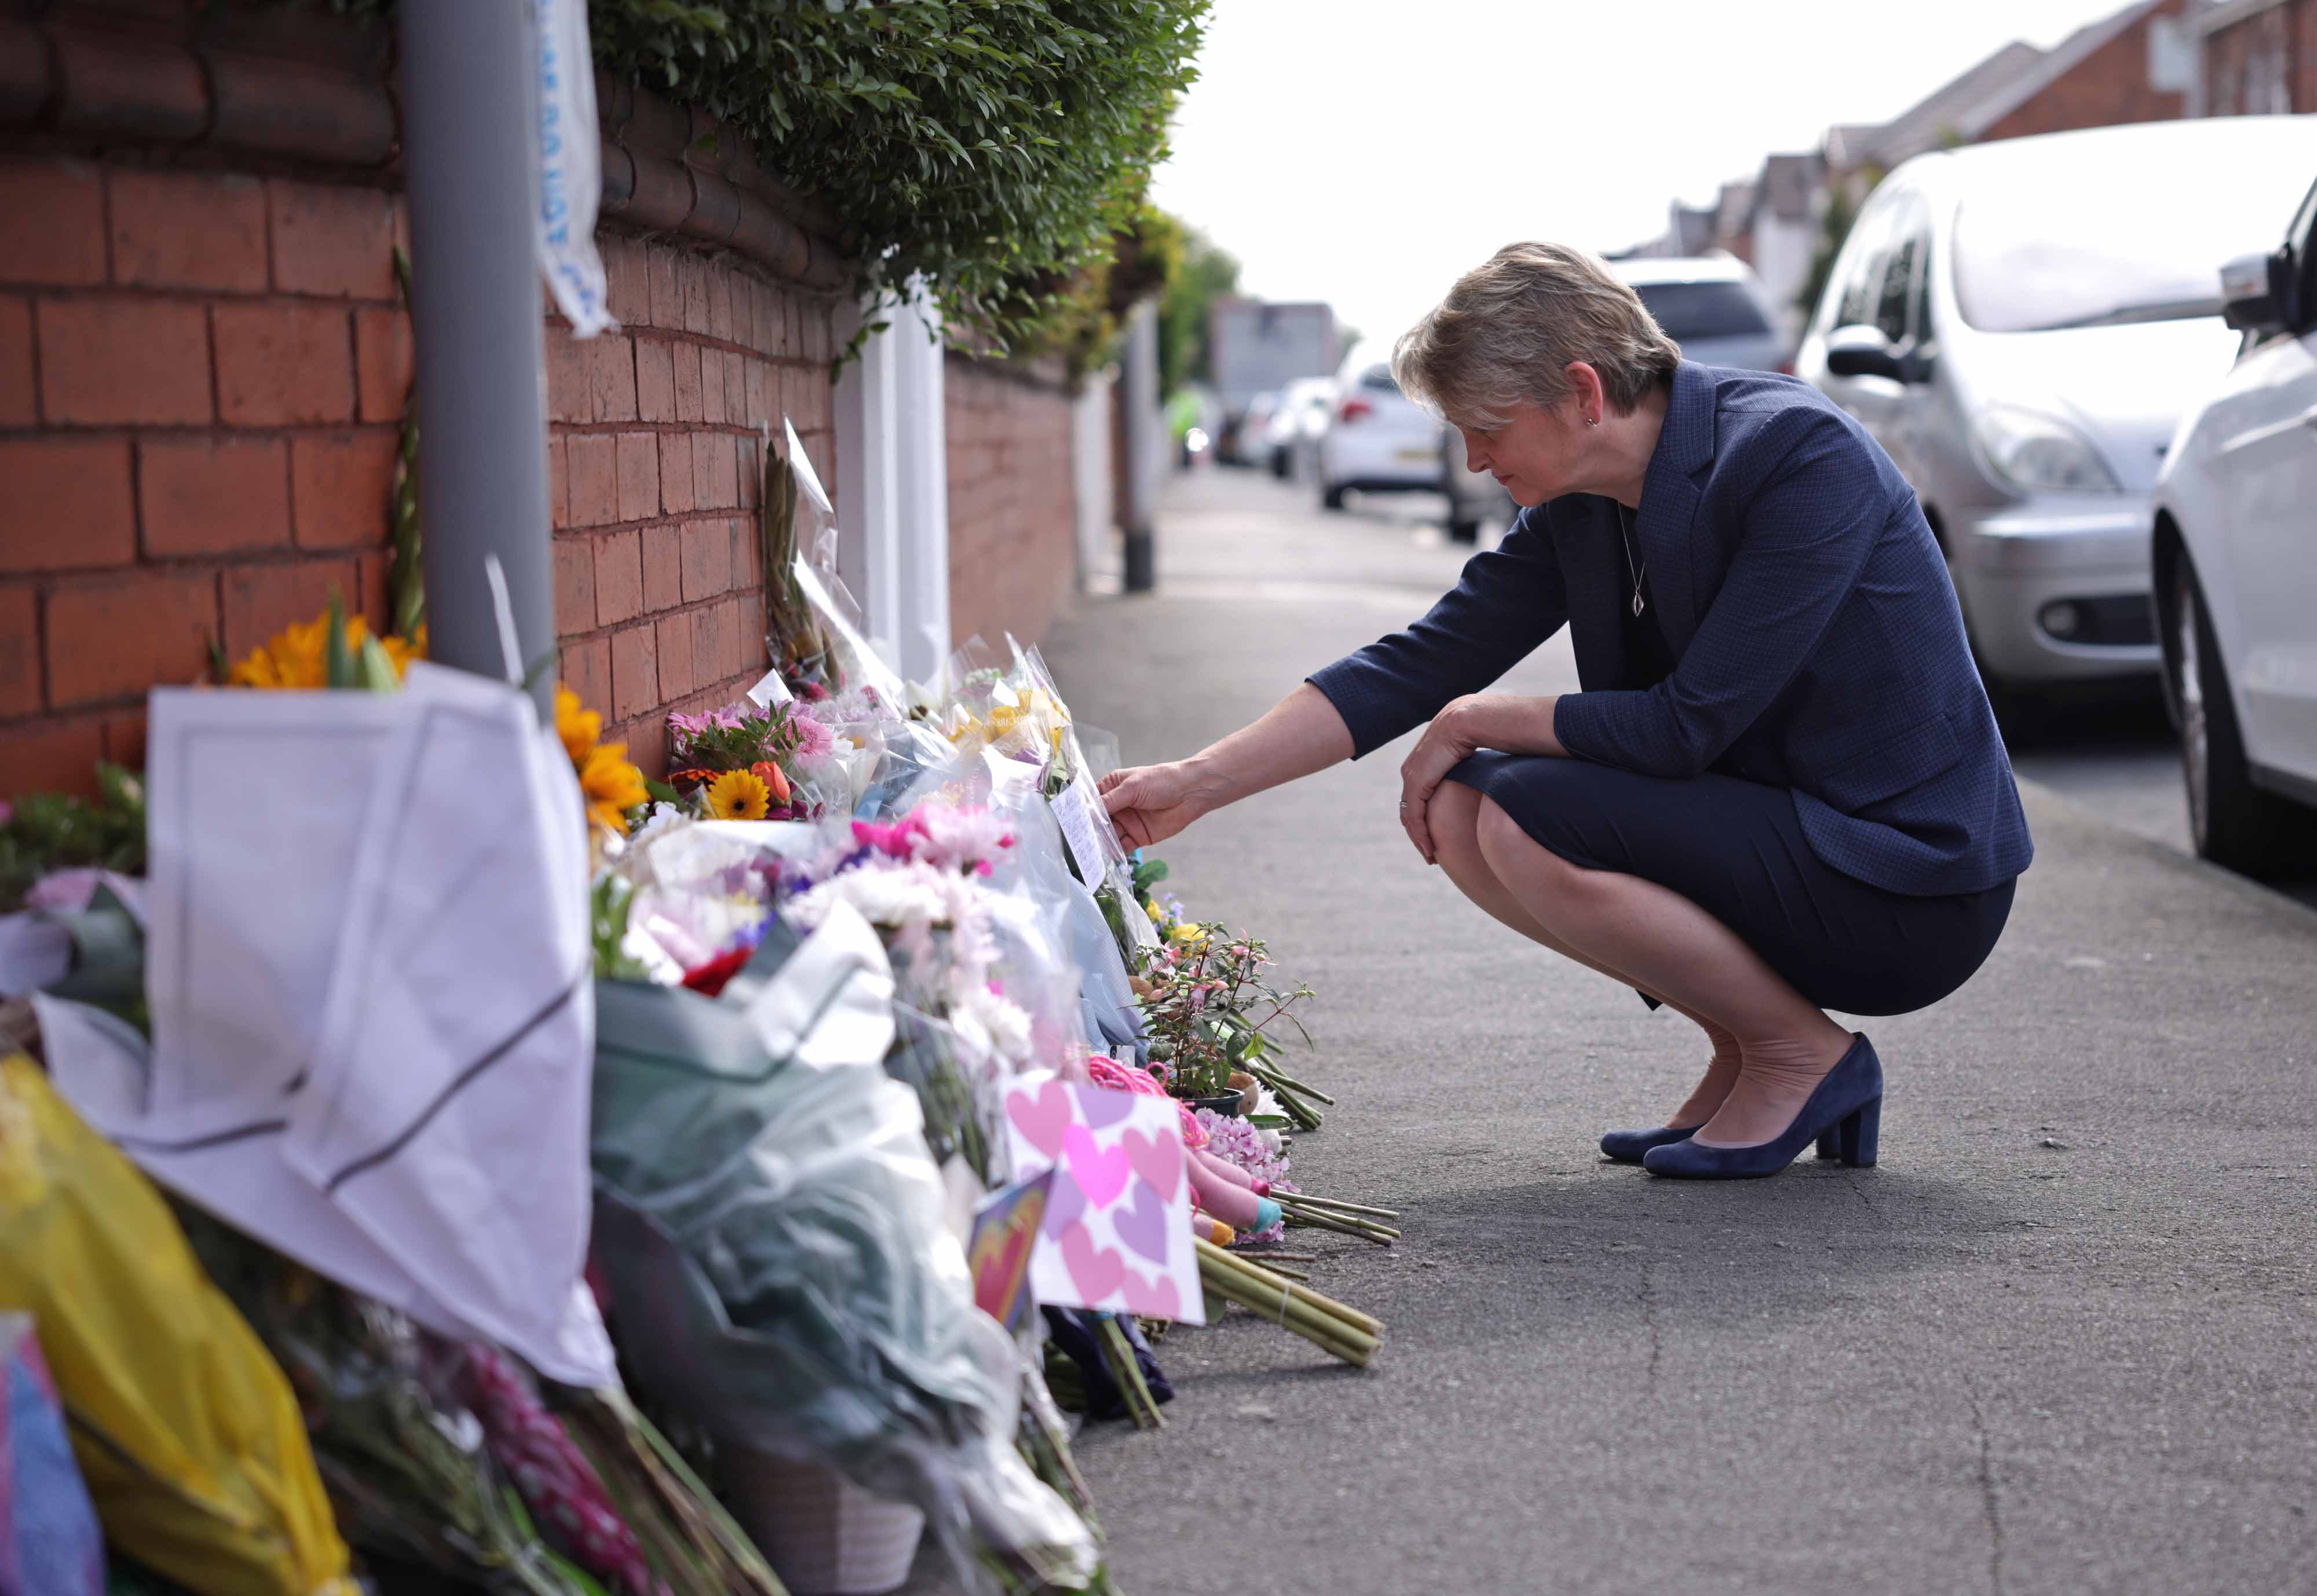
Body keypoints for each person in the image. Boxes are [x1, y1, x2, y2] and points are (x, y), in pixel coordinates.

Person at [1099, 242, 2031, 1180]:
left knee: (1517, 809)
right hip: (1786, 836)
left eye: (1489, 425)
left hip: (1906, 878)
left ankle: (1803, 1058)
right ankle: (1752, 1047)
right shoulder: (1584, 504)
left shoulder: (1796, 457)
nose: (1471, 456)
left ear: (1585, 394)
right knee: (1467, 808)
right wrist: (1197, 783)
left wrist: (1477, 717)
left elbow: (1687, 727)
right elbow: (1418, 661)